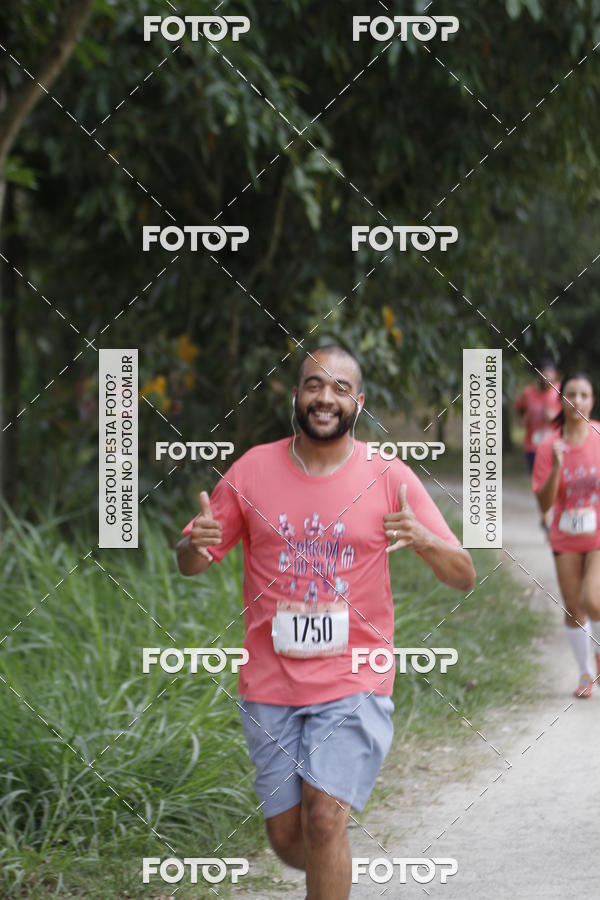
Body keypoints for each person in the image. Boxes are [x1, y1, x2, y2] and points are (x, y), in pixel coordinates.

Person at [175, 345, 476, 900]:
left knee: (323, 819)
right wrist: (193, 546)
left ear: (359, 402)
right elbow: (192, 561)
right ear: (296, 396)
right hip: (270, 681)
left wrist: (424, 538)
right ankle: (331, 864)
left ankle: (330, 850)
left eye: (340, 388)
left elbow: (463, 574)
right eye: (314, 385)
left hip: (354, 676)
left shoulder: (387, 475)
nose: (325, 398)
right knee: (288, 839)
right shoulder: (252, 470)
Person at [532, 371, 600, 699]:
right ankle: (585, 673)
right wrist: (558, 466)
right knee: (574, 609)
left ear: (592, 401)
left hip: (598, 535)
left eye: (584, 394)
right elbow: (544, 503)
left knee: (594, 599)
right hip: (565, 537)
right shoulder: (549, 446)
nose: (577, 401)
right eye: (571, 394)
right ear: (561, 399)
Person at [515, 359, 561, 472]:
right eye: (543, 372)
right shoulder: (528, 393)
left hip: (555, 445)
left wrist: (555, 418)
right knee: (538, 479)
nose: (546, 376)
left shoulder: (561, 391)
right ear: (538, 374)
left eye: (550, 373)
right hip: (533, 446)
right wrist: (521, 419)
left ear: (555, 374)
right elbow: (519, 408)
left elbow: (571, 416)